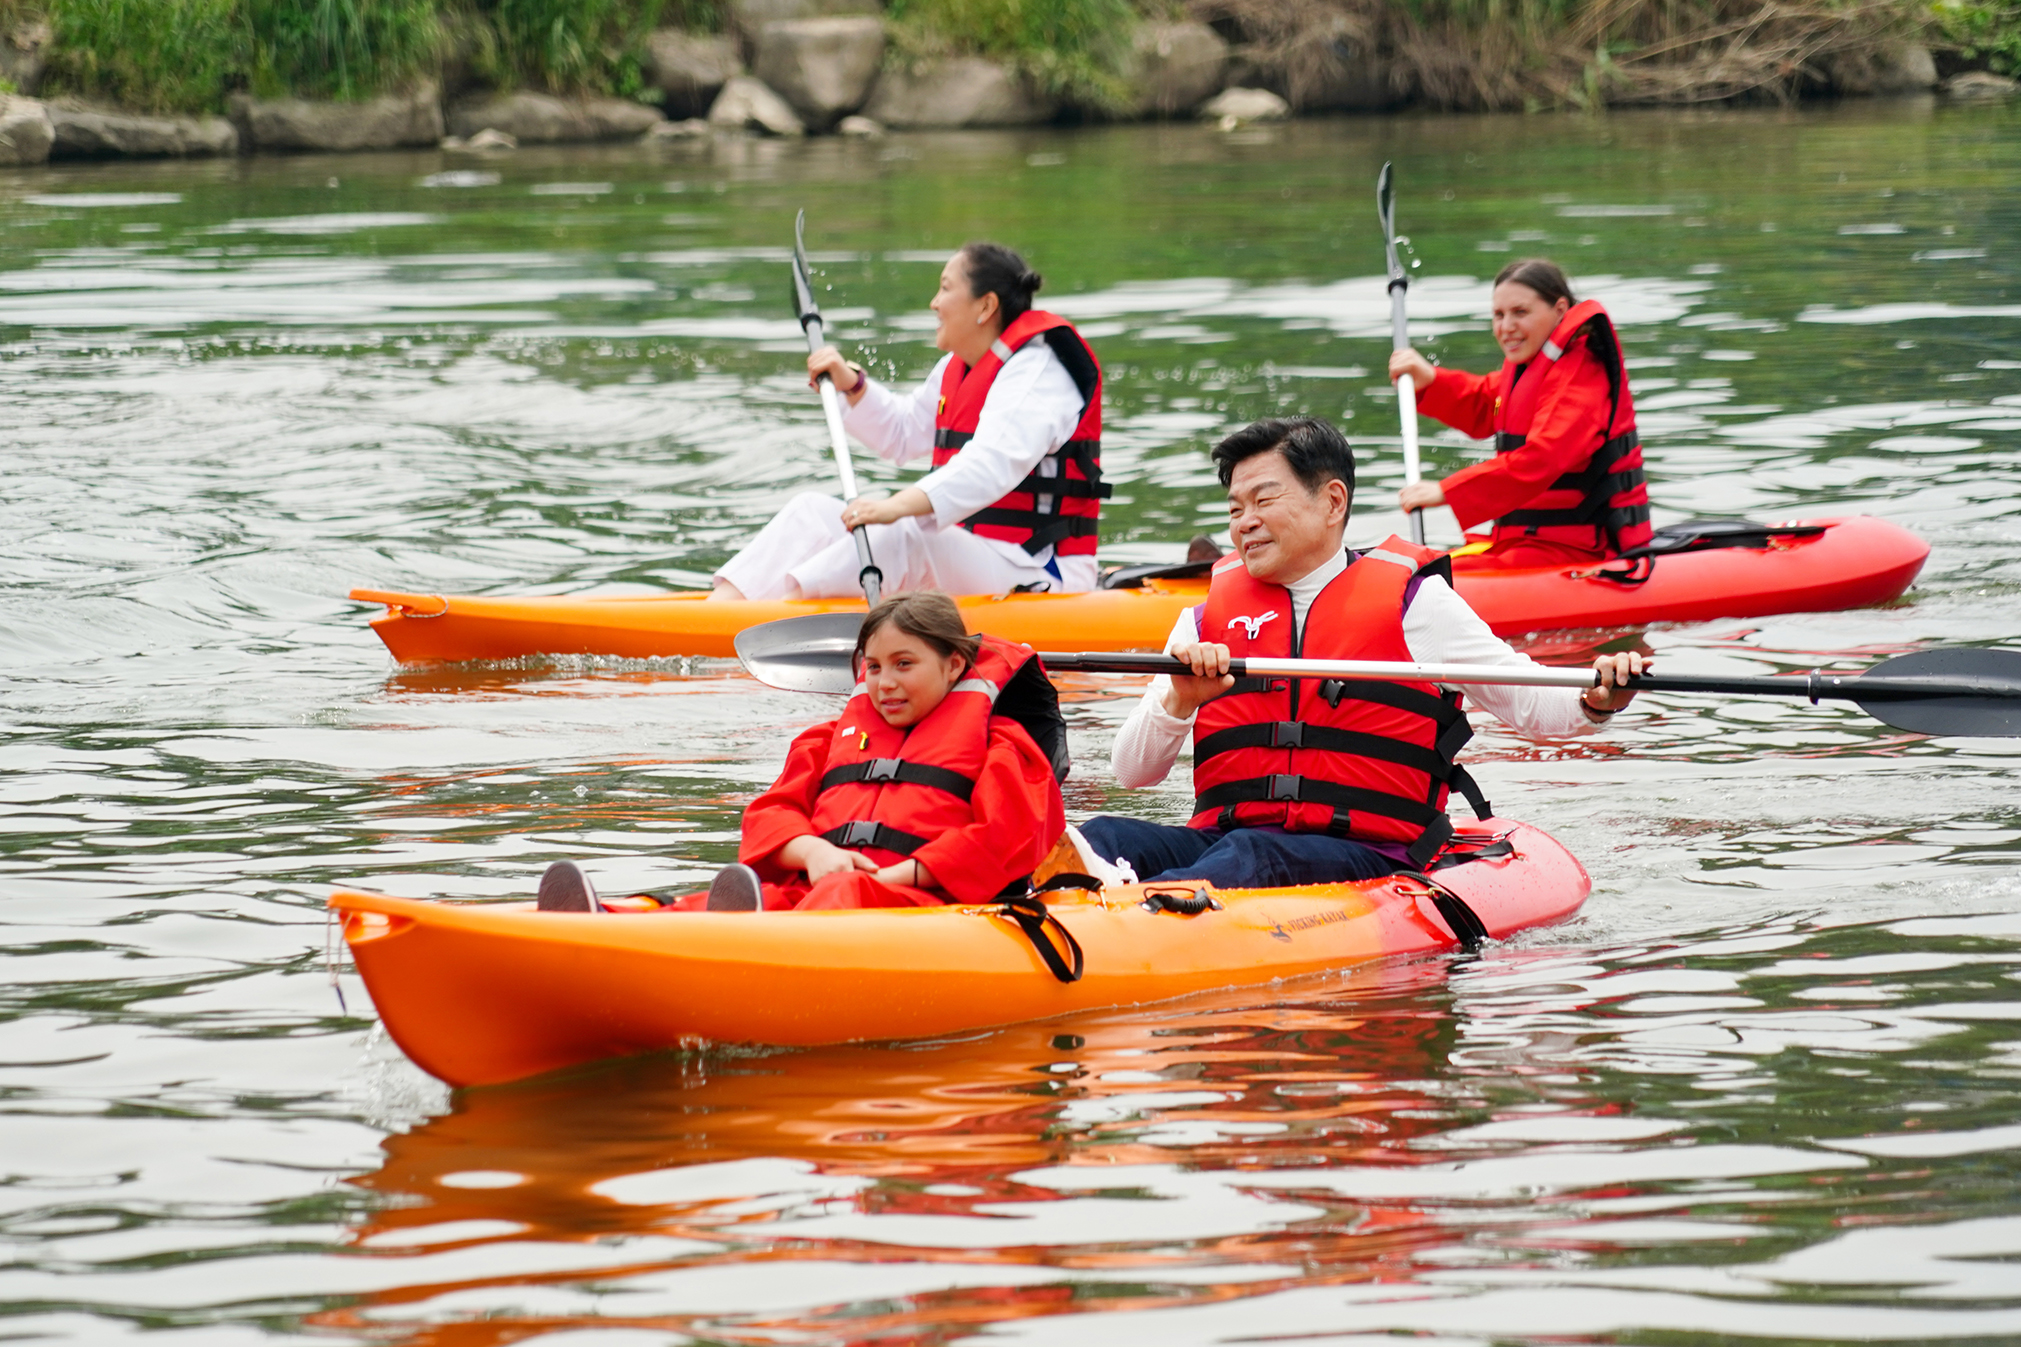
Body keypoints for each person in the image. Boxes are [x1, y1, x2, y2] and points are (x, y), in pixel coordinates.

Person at [1076, 416, 1647, 890]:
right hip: (1225, 843)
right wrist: (1178, 700)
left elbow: (1534, 706)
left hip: (1372, 854)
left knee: (1253, 855)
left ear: (1332, 502)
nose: (1244, 521)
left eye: (1263, 499)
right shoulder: (1202, 620)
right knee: (1102, 836)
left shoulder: (1416, 605)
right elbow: (1132, 771)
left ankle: (1142, 914)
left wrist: (1597, 697)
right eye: (1233, 509)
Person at [536, 591, 1067, 913]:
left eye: (905, 664)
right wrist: (817, 854)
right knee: (741, 898)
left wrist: (896, 876)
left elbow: (1006, 839)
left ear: (954, 667)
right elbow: (770, 816)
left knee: (841, 897)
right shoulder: (823, 742)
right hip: (822, 887)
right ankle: (614, 916)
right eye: (874, 667)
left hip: (917, 901)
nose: (885, 683)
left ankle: (747, 943)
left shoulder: (1003, 747)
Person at [711, 242, 1110, 601]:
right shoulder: (957, 368)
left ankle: (777, 616)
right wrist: (853, 386)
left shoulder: (1040, 372)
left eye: (946, 288)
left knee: (905, 535)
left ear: (986, 306)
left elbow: (991, 465)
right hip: (971, 553)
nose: (934, 303)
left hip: (1038, 571)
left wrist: (896, 507)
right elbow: (902, 434)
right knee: (811, 512)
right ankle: (724, 611)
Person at [1390, 258, 1652, 571]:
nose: (1506, 327)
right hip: (1525, 543)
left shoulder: (1582, 375)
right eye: (1498, 315)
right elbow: (1486, 402)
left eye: (1520, 312)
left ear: (1559, 309)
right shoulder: (1531, 364)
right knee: (1410, 565)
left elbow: (1543, 458)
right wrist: (1430, 379)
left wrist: (1446, 491)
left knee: (1429, 579)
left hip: (1581, 551)